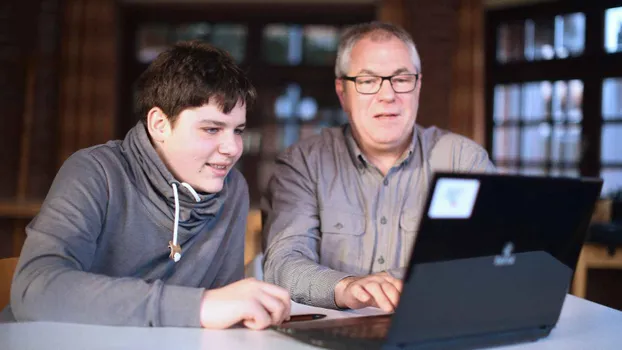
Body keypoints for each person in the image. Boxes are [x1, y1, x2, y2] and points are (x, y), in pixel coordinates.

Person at [7, 41, 290, 329]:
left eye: (238, 130)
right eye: (212, 129)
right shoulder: (96, 171)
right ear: (159, 124)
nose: (232, 148)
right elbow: (34, 290)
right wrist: (200, 306)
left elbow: (226, 307)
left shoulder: (233, 190)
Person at [261, 22, 495, 313]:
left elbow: (487, 258)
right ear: (343, 92)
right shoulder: (303, 164)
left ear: (418, 85)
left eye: (401, 79)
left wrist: (395, 285)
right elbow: (283, 262)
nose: (387, 95)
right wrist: (346, 288)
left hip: (434, 324)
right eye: (368, 81)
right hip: (331, 333)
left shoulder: (463, 160)